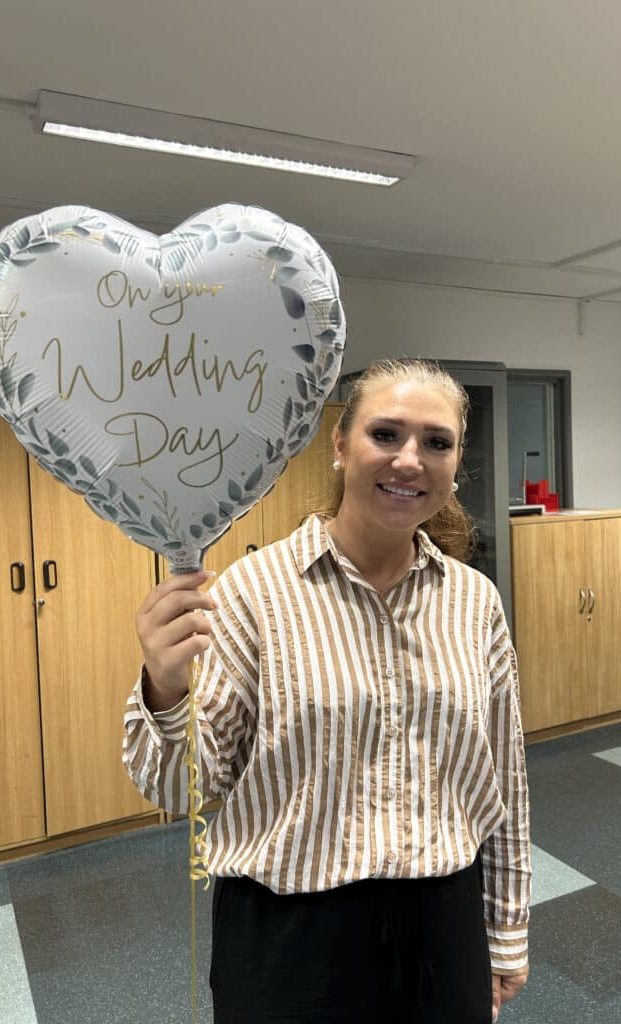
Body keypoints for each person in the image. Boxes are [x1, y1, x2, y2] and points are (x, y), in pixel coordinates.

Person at [124, 358, 531, 1024]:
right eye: (386, 434)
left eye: (437, 442)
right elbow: (183, 792)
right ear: (340, 446)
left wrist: (506, 929)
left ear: (456, 464)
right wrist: (166, 690)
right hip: (292, 939)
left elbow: (504, 781)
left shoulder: (473, 602)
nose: (410, 460)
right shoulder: (255, 592)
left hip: (443, 925)